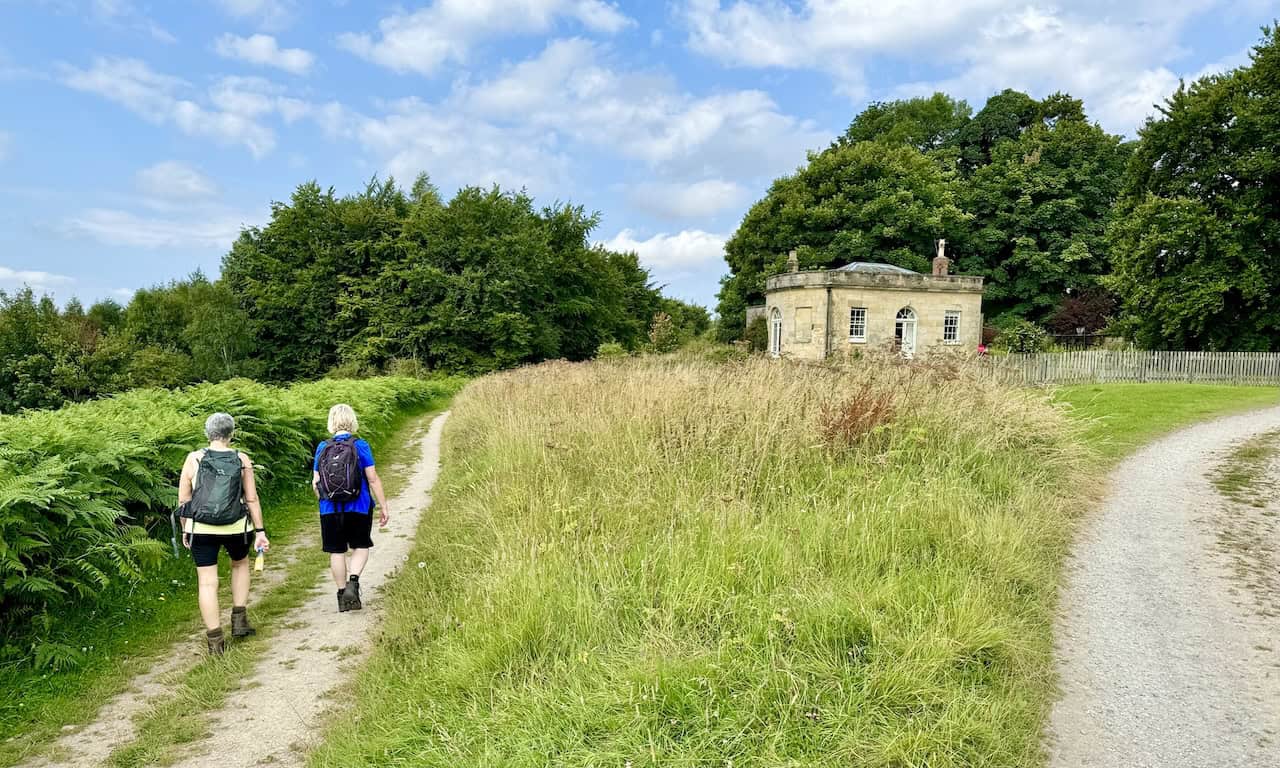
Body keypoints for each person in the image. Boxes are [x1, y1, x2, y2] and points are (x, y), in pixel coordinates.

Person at [178, 413, 270, 656]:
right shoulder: (241, 459)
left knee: (207, 582)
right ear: (232, 433)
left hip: (201, 528)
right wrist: (260, 531)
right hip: (236, 527)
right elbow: (251, 498)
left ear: (207, 433)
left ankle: (215, 641)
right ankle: (239, 621)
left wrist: (186, 527)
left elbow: (184, 499)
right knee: (239, 565)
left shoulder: (193, 459)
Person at [313, 404, 390, 612]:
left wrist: (324, 502)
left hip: (329, 508)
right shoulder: (360, 445)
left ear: (331, 422)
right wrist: (383, 506)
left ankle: (341, 595)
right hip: (359, 505)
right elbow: (372, 479)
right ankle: (353, 583)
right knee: (360, 545)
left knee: (336, 551)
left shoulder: (322, 447)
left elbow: (315, 482)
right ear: (353, 420)